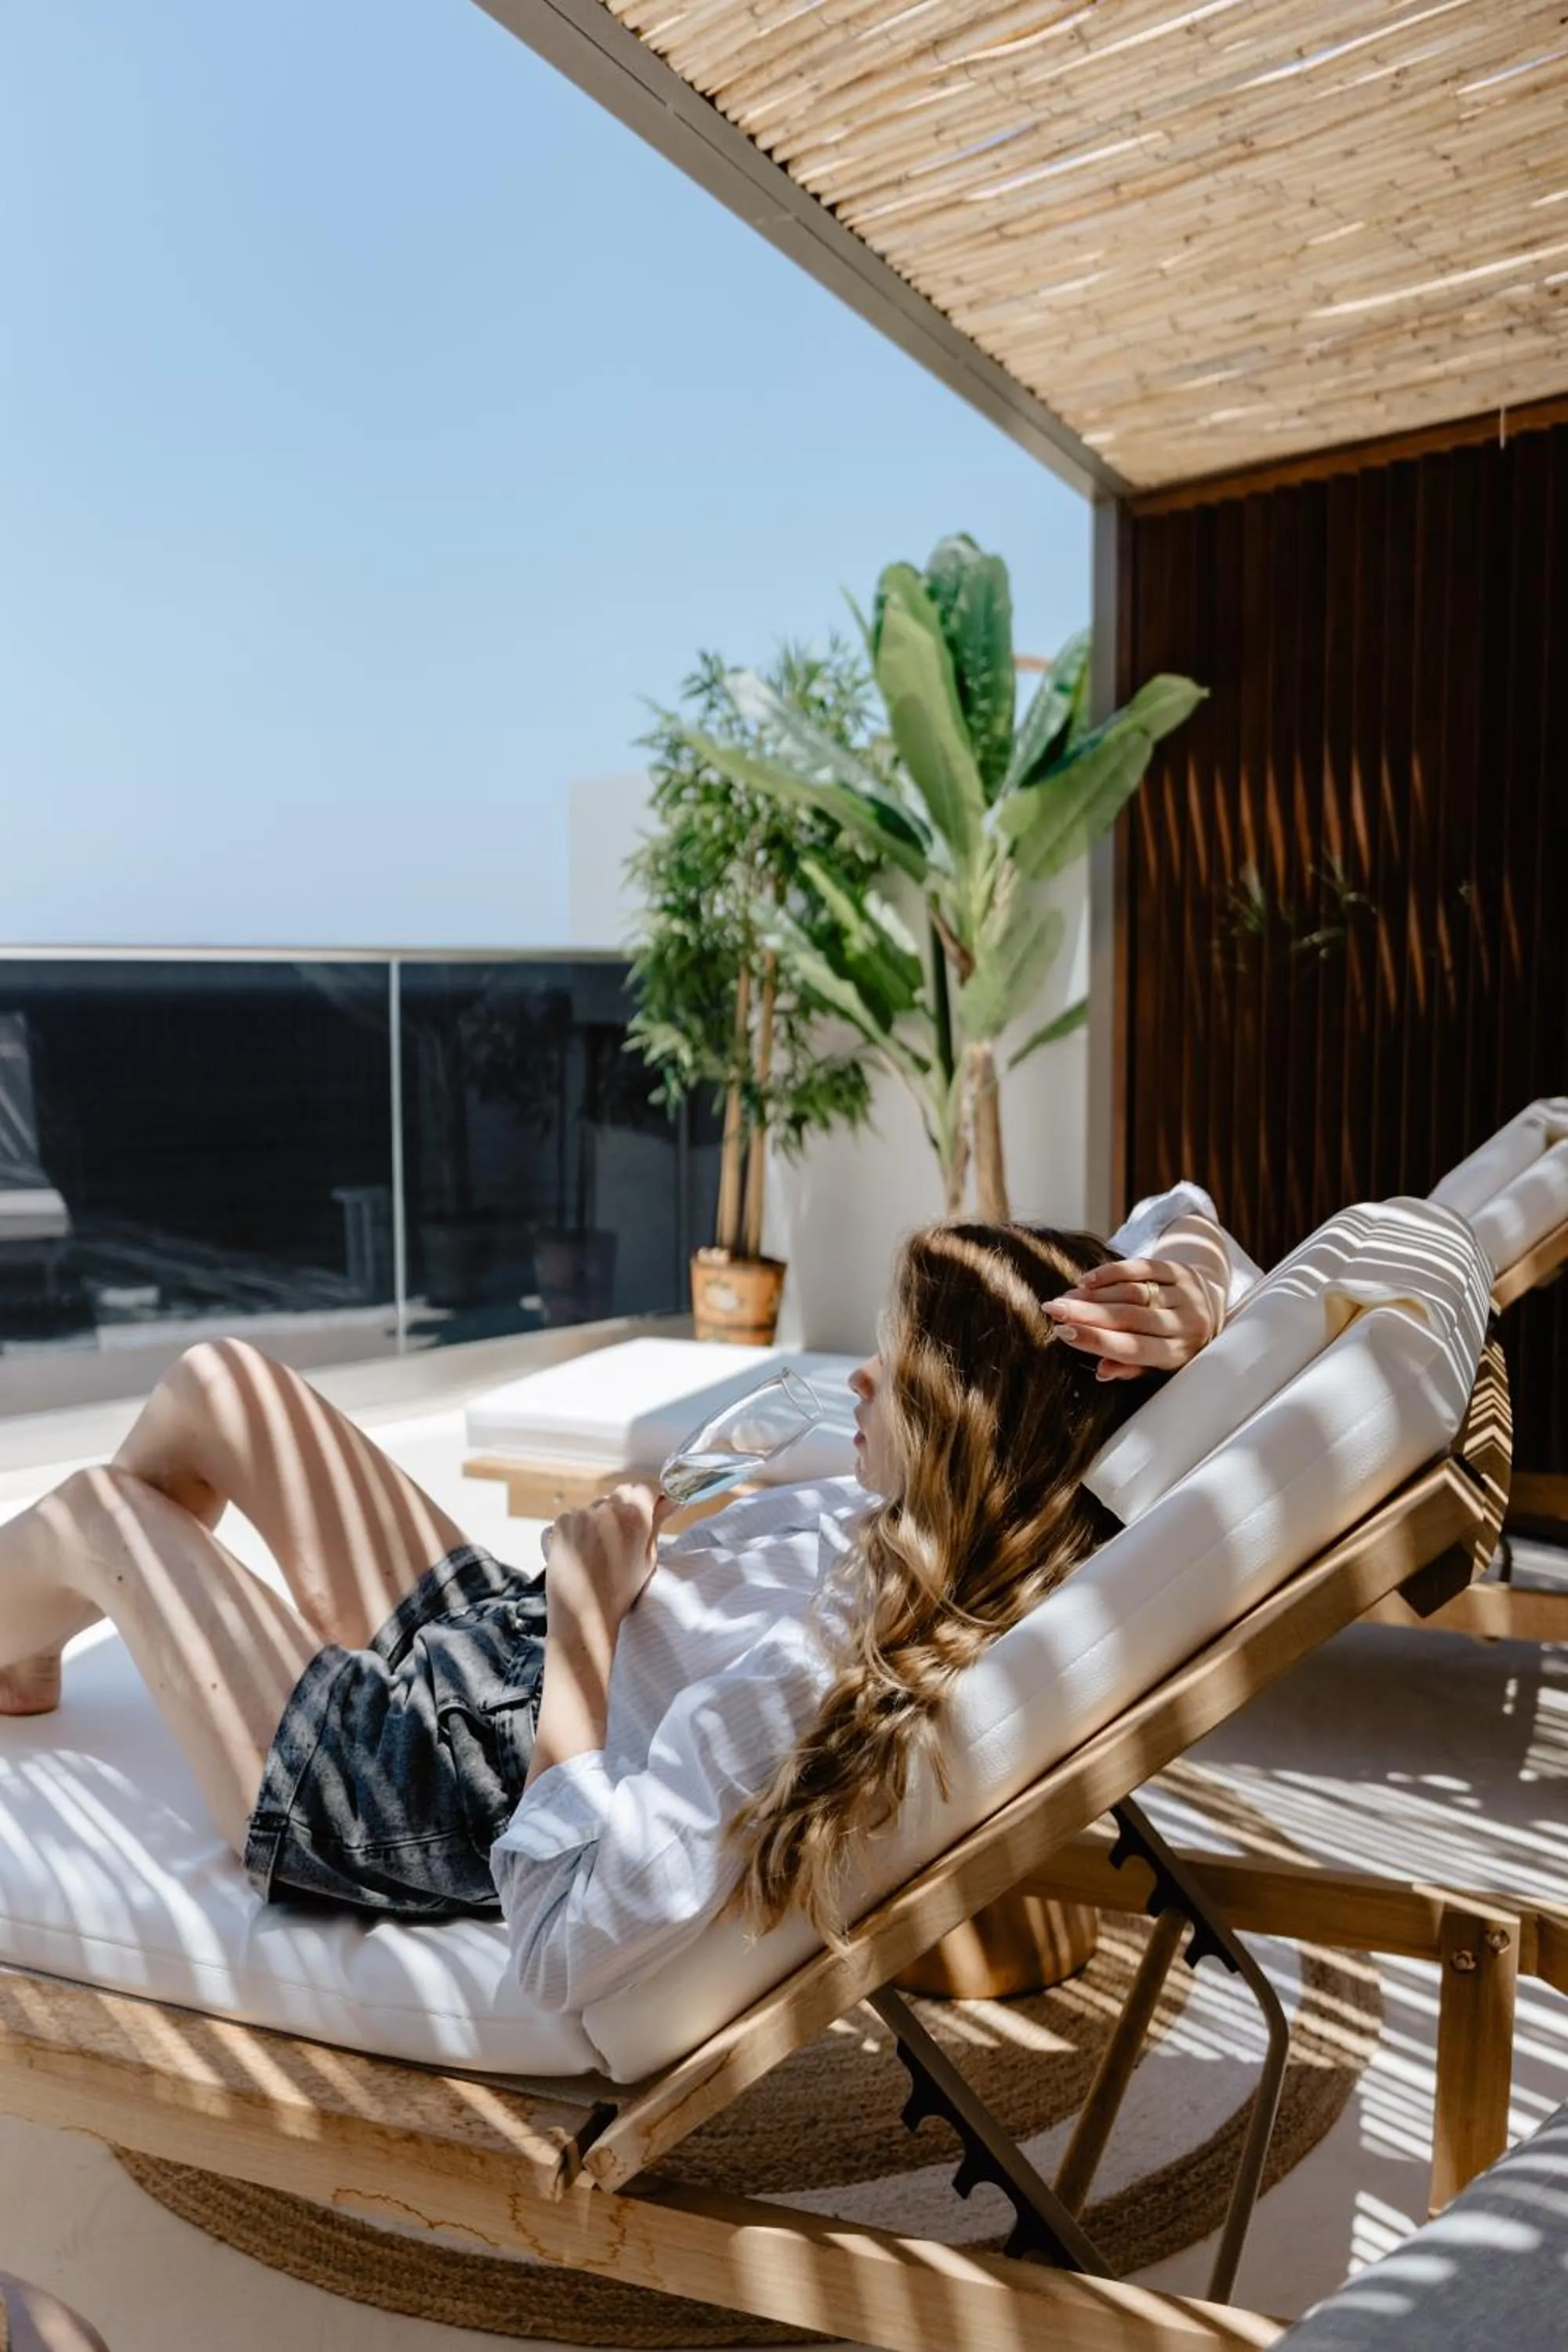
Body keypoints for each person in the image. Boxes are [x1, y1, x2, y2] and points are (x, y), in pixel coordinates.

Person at [0, 1202, 1233, 2016]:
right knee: (218, 1384)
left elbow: (567, 1943)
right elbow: (1185, 1213)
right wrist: (1197, 1287)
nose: (855, 1379)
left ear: (973, 1440)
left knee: (101, 1516)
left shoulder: (817, 1670)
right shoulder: (957, 1521)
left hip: (421, 1784)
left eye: (894, 1375)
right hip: (507, 1637)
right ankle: (30, 1656)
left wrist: (589, 1619)